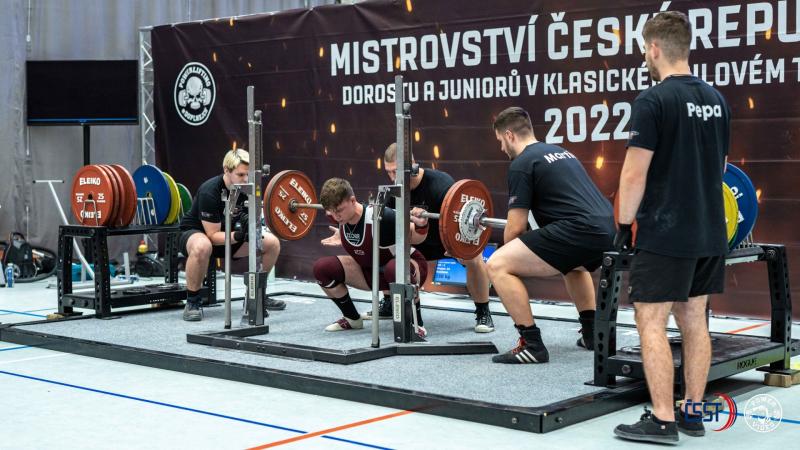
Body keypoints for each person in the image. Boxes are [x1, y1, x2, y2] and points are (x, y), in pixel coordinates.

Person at [613, 11, 730, 444]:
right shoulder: (716, 100)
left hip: (665, 232)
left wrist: (624, 225)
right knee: (695, 319)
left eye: (645, 50)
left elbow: (633, 174)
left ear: (654, 48)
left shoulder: (653, 100)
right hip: (709, 230)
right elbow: (720, 167)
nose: (645, 57)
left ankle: (662, 419)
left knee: (651, 320)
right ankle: (692, 414)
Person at [485, 106, 615, 364]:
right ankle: (593, 335)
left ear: (509, 135)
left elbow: (515, 228)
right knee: (573, 265)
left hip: (577, 229)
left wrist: (512, 258)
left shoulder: (521, 164)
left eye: (500, 141)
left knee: (497, 265)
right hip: (606, 228)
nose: (501, 148)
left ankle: (532, 345)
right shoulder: (561, 152)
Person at [378, 143, 495, 333]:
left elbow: (459, 220)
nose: (392, 178)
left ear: (412, 166)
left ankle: (483, 312)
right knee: (382, 247)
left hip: (446, 240)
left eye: (396, 172)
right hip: (416, 241)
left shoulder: (440, 184)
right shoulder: (394, 191)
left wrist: (457, 246)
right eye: (388, 172)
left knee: (473, 257)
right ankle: (390, 302)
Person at [312, 178, 430, 336]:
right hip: (372, 271)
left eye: (339, 210)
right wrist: (342, 234)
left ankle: (416, 324)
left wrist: (422, 225)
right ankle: (352, 319)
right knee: (322, 268)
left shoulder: (382, 217)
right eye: (331, 211)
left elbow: (417, 237)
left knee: (393, 268)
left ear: (352, 200)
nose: (335, 216)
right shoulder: (337, 216)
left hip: (408, 269)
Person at [178, 148, 283, 321]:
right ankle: (193, 301)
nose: (245, 179)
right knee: (203, 246)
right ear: (226, 170)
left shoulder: (247, 189)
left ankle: (256, 295)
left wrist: (250, 230)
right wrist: (239, 236)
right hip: (198, 235)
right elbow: (212, 236)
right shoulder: (209, 191)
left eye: (248, 174)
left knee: (272, 243)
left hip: (230, 236)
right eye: (240, 174)